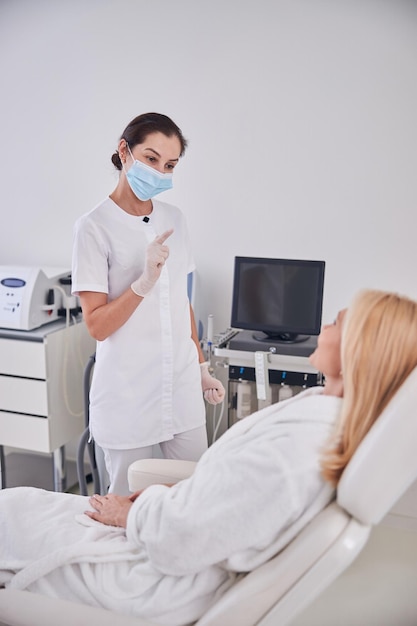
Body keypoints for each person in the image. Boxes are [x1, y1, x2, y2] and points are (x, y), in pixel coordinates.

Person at [1, 289, 417, 626]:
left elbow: (182, 537)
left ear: (360, 351)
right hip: (165, 534)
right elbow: (223, 498)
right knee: (17, 503)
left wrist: (130, 513)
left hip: (150, 580)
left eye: (338, 322)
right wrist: (163, 493)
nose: (325, 325)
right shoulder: (316, 411)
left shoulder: (295, 451)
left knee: (12, 514)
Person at [71, 112, 225, 495]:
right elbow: (98, 326)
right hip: (128, 396)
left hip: (182, 386)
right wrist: (143, 283)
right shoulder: (93, 228)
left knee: (194, 496)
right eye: (152, 159)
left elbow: (181, 304)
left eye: (170, 165)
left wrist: (201, 366)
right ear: (125, 151)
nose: (159, 172)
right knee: (127, 509)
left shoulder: (175, 219)